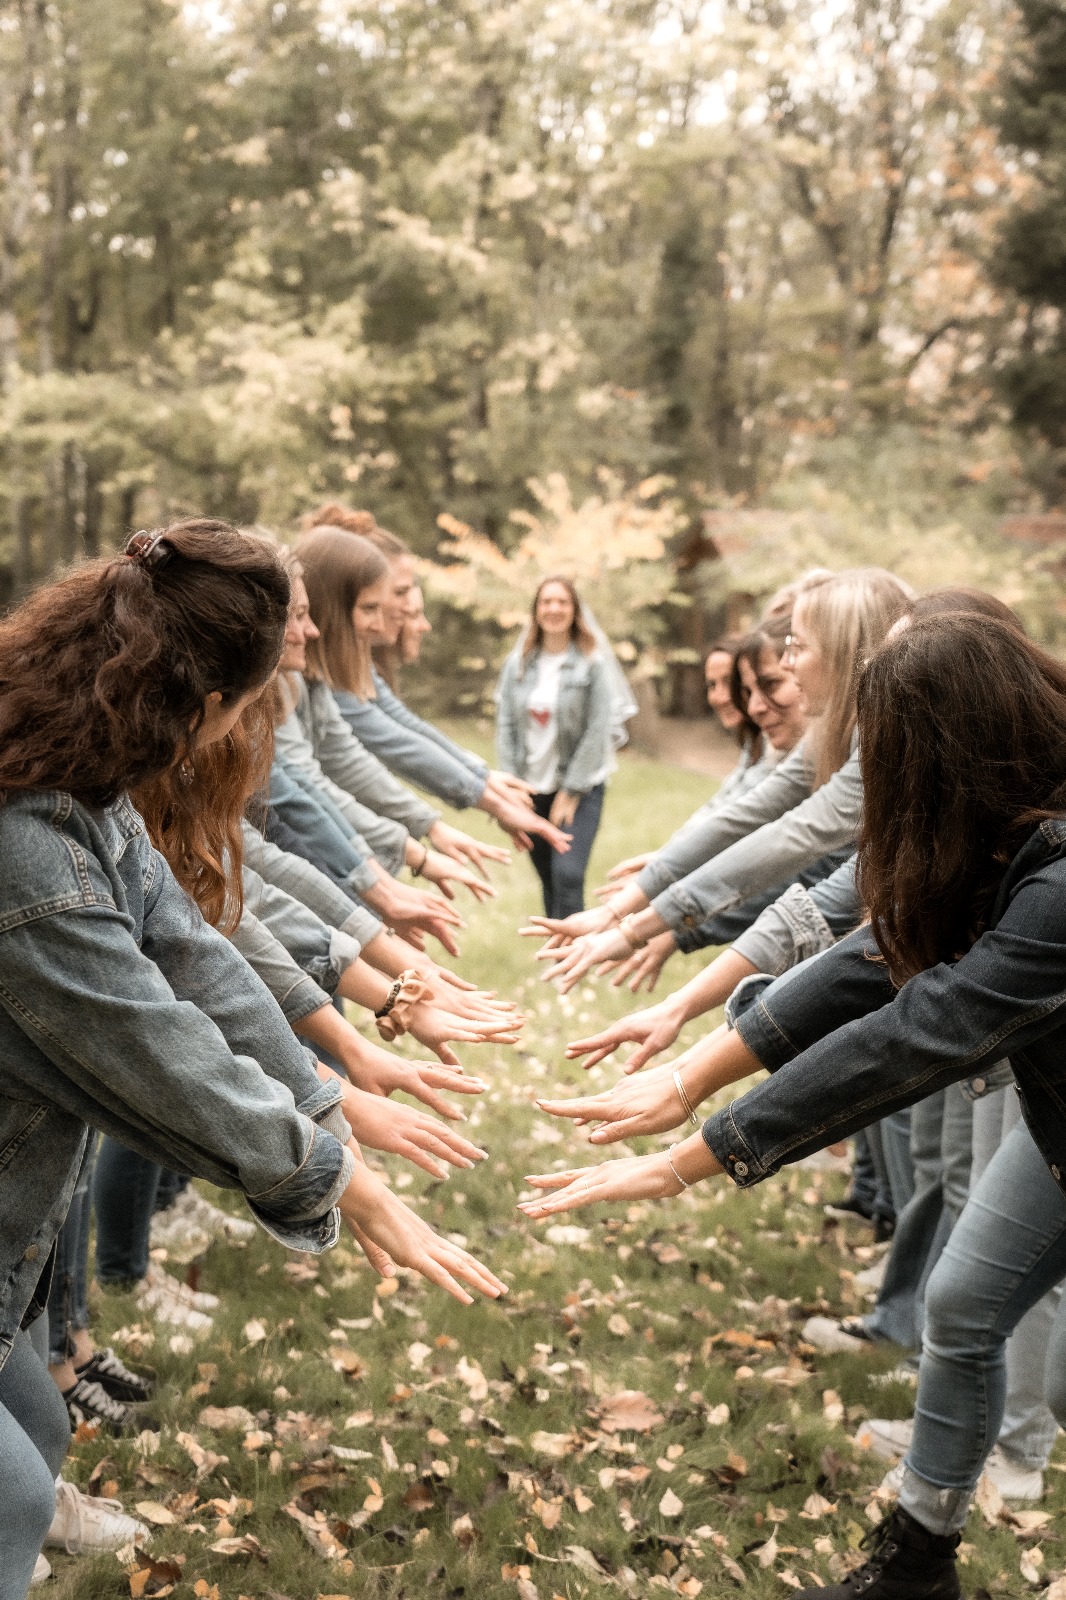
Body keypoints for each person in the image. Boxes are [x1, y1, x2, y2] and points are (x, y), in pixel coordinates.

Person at [0, 521, 505, 1600]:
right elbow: (157, 1046)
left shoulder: (84, 792)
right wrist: (337, 1177)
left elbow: (192, 948)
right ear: (206, 701)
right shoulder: (29, 853)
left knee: (36, 1433)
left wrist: (330, 1095)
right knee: (10, 1494)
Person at [520, 611, 1066, 1600]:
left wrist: (692, 1158)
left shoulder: (1059, 879)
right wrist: (690, 1077)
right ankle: (916, 1568)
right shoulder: (1005, 838)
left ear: (954, 756)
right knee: (962, 1304)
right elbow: (874, 955)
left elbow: (922, 1030)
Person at [526, 567, 911, 991]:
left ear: (844, 651)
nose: (787, 662)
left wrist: (637, 928)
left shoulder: (882, 735)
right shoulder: (839, 728)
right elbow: (747, 812)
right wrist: (621, 907)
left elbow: (793, 836)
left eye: (797, 647)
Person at [299, 506, 568, 855]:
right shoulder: (310, 673)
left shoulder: (341, 666)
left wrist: (480, 779)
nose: (408, 614)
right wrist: (481, 797)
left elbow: (397, 722)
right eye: (399, 593)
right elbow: (388, 741)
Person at [495, 576, 614, 917]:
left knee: (568, 875)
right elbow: (506, 725)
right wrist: (511, 787)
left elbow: (597, 729)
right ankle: (559, 946)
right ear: (536, 610)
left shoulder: (592, 664)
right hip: (531, 791)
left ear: (575, 610)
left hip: (580, 789)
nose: (554, 608)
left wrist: (572, 789)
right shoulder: (517, 664)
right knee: (549, 878)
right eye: (546, 601)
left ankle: (577, 946)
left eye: (562, 601)